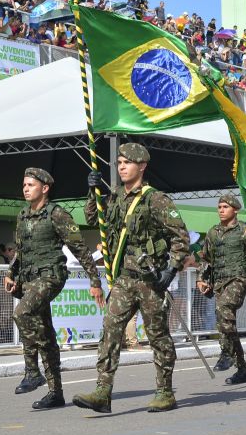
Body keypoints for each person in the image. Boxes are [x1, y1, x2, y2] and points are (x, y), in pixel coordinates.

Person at [73, 143, 190, 413]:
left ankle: (164, 392)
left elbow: (180, 238)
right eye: (119, 162)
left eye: (127, 162)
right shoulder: (115, 197)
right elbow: (93, 218)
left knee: (157, 336)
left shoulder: (156, 199)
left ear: (142, 166)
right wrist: (93, 192)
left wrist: (170, 269)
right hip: (124, 279)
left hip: (149, 280)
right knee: (110, 331)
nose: (122, 167)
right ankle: (103, 391)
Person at [4, 168, 104, 410]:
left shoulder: (57, 214)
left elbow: (79, 248)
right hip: (29, 279)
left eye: (30, 185)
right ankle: (55, 393)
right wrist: (11, 273)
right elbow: (21, 250)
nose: (25, 188)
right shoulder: (23, 215)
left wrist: (95, 281)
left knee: (22, 314)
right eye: (24, 184)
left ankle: (32, 372)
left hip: (51, 276)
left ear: (45, 188)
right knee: (45, 334)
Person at [196, 194, 246, 384]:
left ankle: (226, 353)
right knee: (226, 323)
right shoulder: (212, 233)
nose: (221, 210)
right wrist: (201, 278)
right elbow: (206, 259)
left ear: (235, 210)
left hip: (240, 278)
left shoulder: (245, 231)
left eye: (225, 206)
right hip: (219, 282)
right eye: (219, 206)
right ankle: (242, 368)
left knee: (223, 309)